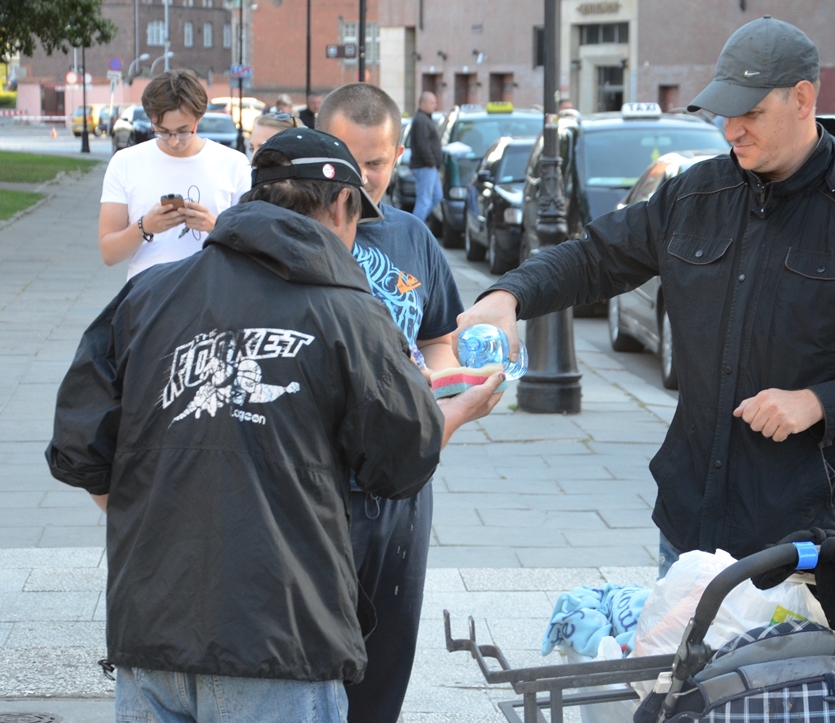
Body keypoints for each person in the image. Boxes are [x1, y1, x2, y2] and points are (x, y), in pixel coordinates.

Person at [457, 16, 835, 576]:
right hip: (688, 527)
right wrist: (509, 295)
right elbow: (595, 257)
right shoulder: (696, 193)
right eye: (724, 112)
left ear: (802, 99)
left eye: (750, 113)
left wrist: (818, 403)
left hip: (803, 541)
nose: (731, 130)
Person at [46, 127, 501, 722]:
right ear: (341, 205)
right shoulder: (352, 314)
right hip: (281, 644)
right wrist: (454, 412)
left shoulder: (147, 295)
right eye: (355, 221)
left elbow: (79, 447)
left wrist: (158, 520)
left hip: (151, 636)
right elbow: (399, 464)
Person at [317, 83, 470, 723]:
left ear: (399, 156)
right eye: (346, 160)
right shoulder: (294, 238)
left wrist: (446, 387)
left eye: (375, 162)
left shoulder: (413, 237)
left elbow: (438, 336)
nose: (360, 177)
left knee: (387, 654)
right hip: (317, 483)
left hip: (402, 488)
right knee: (313, 658)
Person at [98, 69, 251, 280]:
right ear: (151, 120)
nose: (173, 141)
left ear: (198, 118)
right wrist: (145, 227)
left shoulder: (234, 164)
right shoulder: (125, 162)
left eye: (183, 131)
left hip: (211, 293)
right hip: (147, 293)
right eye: (162, 131)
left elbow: (250, 250)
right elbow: (109, 253)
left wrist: (213, 226)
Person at [409, 90, 443, 223]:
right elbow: (422, 143)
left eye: (435, 103)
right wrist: (431, 162)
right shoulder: (421, 120)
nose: (435, 106)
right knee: (424, 200)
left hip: (429, 167)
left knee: (437, 196)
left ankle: (418, 224)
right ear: (422, 104)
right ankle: (414, 228)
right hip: (425, 166)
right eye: (432, 103)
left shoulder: (425, 119)